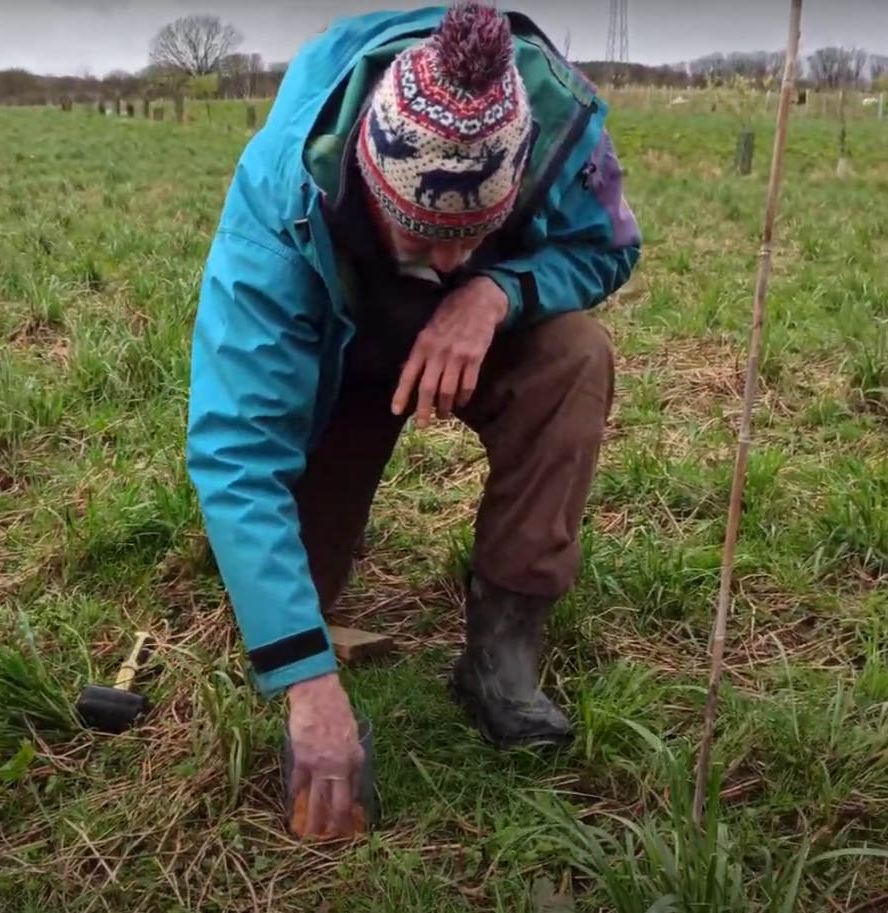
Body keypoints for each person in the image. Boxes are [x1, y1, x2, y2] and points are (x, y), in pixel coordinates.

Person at [184, 2, 642, 838]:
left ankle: (500, 657)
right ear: (368, 174)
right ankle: (310, 598)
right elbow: (236, 451)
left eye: (470, 235)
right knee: (290, 592)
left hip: (482, 336)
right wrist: (309, 686)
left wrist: (495, 289)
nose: (444, 261)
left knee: (575, 355)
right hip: (344, 347)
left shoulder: (555, 125)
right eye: (424, 233)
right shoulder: (280, 207)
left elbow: (608, 245)